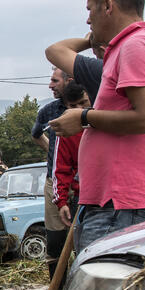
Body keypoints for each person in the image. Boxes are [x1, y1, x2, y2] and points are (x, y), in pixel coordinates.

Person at [49, 0, 145, 251]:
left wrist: (84, 118)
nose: (88, 20)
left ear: (107, 5)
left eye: (90, 10)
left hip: (127, 207)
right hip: (118, 204)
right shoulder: (126, 48)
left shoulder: (137, 45)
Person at [31, 70, 74, 278]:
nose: (50, 85)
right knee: (55, 237)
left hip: (83, 181)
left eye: (54, 81)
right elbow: (36, 134)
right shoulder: (49, 111)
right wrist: (54, 154)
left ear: (70, 81)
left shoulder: (89, 106)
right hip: (54, 180)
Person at [53, 82, 90, 229]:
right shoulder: (66, 132)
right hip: (83, 198)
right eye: (73, 106)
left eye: (83, 103)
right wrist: (61, 202)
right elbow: (61, 168)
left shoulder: (107, 121)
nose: (79, 110)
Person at [45, 32, 105, 104]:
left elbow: (54, 51)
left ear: (103, 50)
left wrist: (90, 41)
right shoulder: (50, 110)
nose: (50, 86)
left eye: (95, 53)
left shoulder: (102, 69)